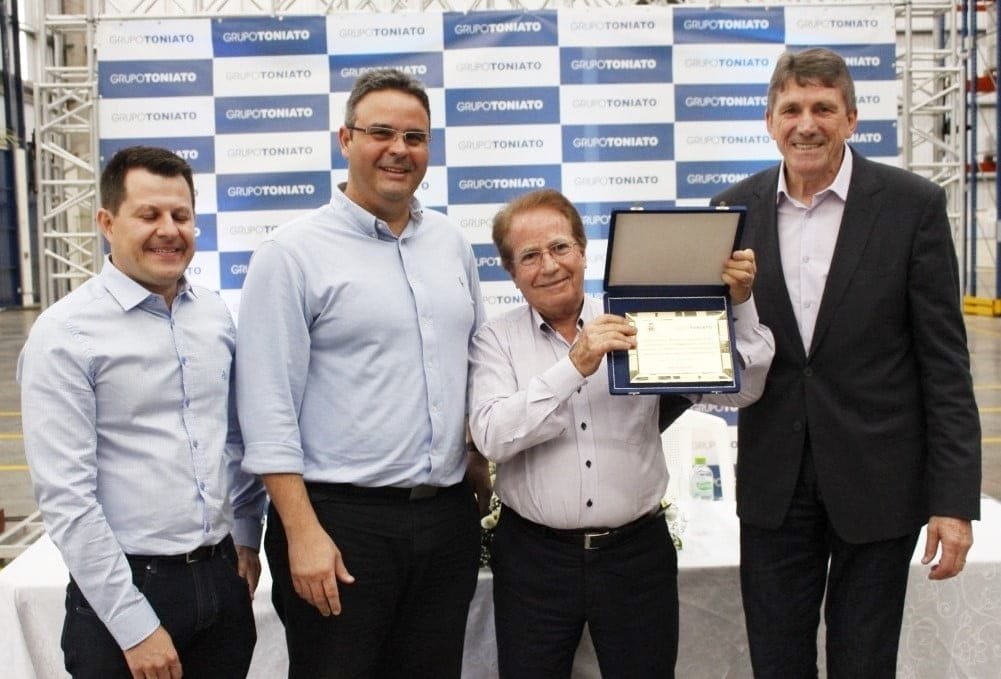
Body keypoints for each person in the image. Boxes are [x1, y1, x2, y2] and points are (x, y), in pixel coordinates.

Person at [712, 47, 982, 678]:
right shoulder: (731, 211)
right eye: (792, 109)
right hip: (774, 487)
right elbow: (716, 342)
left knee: (864, 665)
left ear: (852, 119)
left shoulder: (912, 206)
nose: (807, 124)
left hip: (879, 486)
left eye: (824, 109)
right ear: (769, 121)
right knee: (777, 664)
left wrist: (952, 501)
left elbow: (945, 365)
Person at [235, 68, 489, 679]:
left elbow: (474, 362)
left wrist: (478, 467)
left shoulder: (451, 244)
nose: (399, 150)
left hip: (446, 519)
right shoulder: (290, 254)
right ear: (345, 139)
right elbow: (265, 407)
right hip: (339, 525)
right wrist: (301, 531)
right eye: (381, 133)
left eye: (415, 137)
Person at [467, 188, 775, 678]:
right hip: (534, 562)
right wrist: (574, 366)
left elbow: (745, 391)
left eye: (560, 247)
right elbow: (491, 436)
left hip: (636, 557)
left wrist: (741, 305)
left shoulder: (640, 323)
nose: (550, 265)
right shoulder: (494, 340)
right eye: (530, 256)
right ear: (511, 271)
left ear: (584, 252)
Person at [17, 146, 266, 679]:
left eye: (181, 215)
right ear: (107, 223)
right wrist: (133, 626)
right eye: (149, 215)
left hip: (221, 579)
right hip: (130, 589)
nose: (168, 230)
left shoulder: (214, 315)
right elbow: (67, 498)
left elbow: (237, 439)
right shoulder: (65, 334)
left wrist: (247, 535)